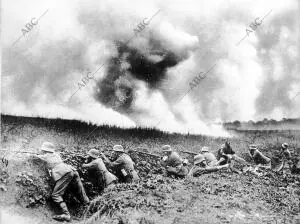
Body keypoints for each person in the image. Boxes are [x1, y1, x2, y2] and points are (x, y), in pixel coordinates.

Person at [34, 142, 89, 222]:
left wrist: (36, 154)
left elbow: (35, 157)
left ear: (44, 150)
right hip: (72, 170)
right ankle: (88, 207)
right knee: (80, 191)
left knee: (56, 195)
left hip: (64, 173)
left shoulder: (45, 156)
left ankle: (66, 215)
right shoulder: (56, 155)